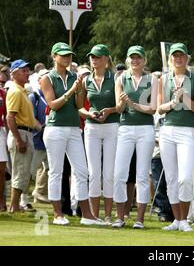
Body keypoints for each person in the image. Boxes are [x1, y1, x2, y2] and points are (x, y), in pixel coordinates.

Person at [40, 42, 107, 226]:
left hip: (74, 128)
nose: (67, 58)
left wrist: (79, 90)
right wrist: (72, 90)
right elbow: (53, 104)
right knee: (56, 171)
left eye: (69, 55)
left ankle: (87, 215)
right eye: (62, 55)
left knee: (82, 171)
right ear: (54, 57)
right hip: (55, 129)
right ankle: (57, 214)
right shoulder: (47, 78)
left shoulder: (75, 76)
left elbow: (78, 105)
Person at [157, 42, 194, 232]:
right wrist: (173, 102)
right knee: (171, 178)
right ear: (170, 58)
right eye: (175, 56)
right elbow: (159, 108)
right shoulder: (163, 79)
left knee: (185, 178)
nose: (178, 58)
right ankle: (177, 220)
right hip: (167, 130)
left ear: (187, 58)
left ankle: (184, 219)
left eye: (181, 55)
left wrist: (184, 98)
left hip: (186, 131)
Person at [112, 45, 158, 229]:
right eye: (132, 57)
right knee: (119, 174)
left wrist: (133, 104)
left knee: (142, 174)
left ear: (144, 60)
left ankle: (139, 219)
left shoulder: (152, 79)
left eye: (138, 57)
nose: (135, 60)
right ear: (128, 60)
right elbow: (118, 109)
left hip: (145, 129)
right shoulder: (121, 78)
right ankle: (120, 216)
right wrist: (123, 103)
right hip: (126, 128)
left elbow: (153, 108)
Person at [78, 44, 119, 223]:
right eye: (92, 57)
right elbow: (80, 107)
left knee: (109, 172)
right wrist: (89, 114)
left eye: (98, 57)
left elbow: (120, 106)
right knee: (94, 172)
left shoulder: (115, 78)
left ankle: (108, 215)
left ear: (106, 59)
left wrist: (108, 111)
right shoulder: (86, 80)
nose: (94, 60)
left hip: (112, 126)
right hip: (91, 127)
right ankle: (94, 215)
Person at [6, 59, 41, 213]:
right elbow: (10, 117)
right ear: (14, 74)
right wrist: (19, 139)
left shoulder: (22, 90)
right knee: (21, 171)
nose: (27, 73)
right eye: (23, 70)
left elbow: (30, 118)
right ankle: (14, 206)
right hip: (20, 133)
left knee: (24, 171)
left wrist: (42, 128)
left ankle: (15, 205)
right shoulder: (14, 91)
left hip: (26, 132)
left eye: (28, 70)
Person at [29, 68, 50, 204]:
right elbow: (31, 117)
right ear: (39, 80)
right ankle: (22, 199)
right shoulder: (34, 96)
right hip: (37, 139)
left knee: (49, 168)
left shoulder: (52, 95)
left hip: (49, 140)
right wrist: (41, 127)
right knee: (30, 170)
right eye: (45, 77)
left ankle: (39, 192)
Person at [0, 82, 8, 211]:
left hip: (0, 131)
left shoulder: (2, 93)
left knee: (1, 170)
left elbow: (7, 116)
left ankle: (1, 201)